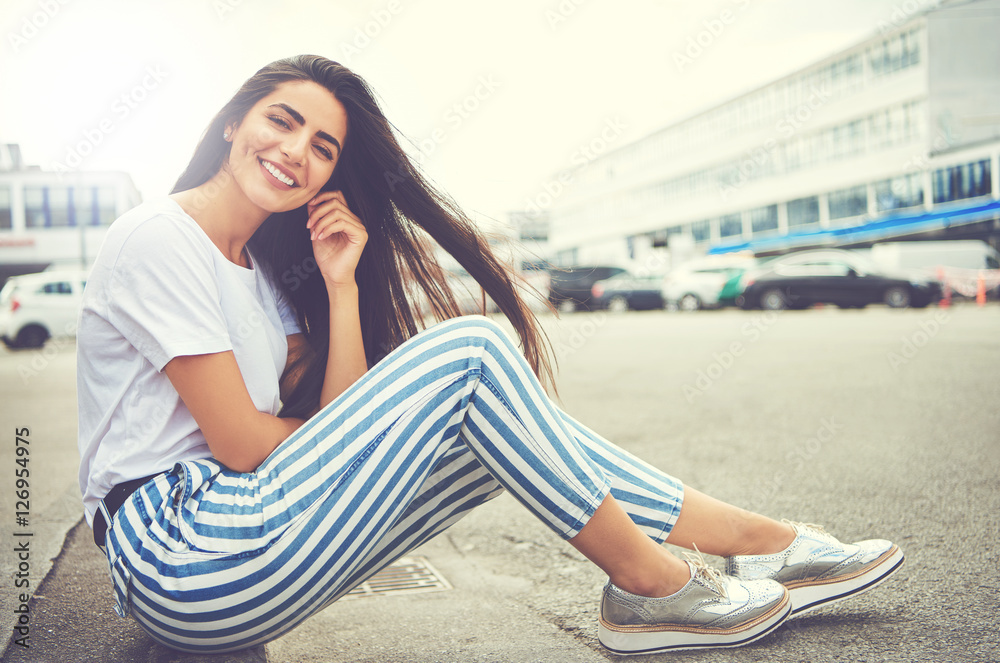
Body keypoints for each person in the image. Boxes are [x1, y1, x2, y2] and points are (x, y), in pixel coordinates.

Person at [76, 55, 903, 656]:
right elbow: (244, 443)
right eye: (281, 122)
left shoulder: (258, 274)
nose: (297, 151)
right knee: (472, 352)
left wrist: (339, 287)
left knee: (495, 433)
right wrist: (388, 423)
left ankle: (761, 541)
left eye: (323, 147)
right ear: (234, 121)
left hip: (242, 538)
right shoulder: (161, 237)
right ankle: (656, 586)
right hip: (184, 555)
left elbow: (335, 423)